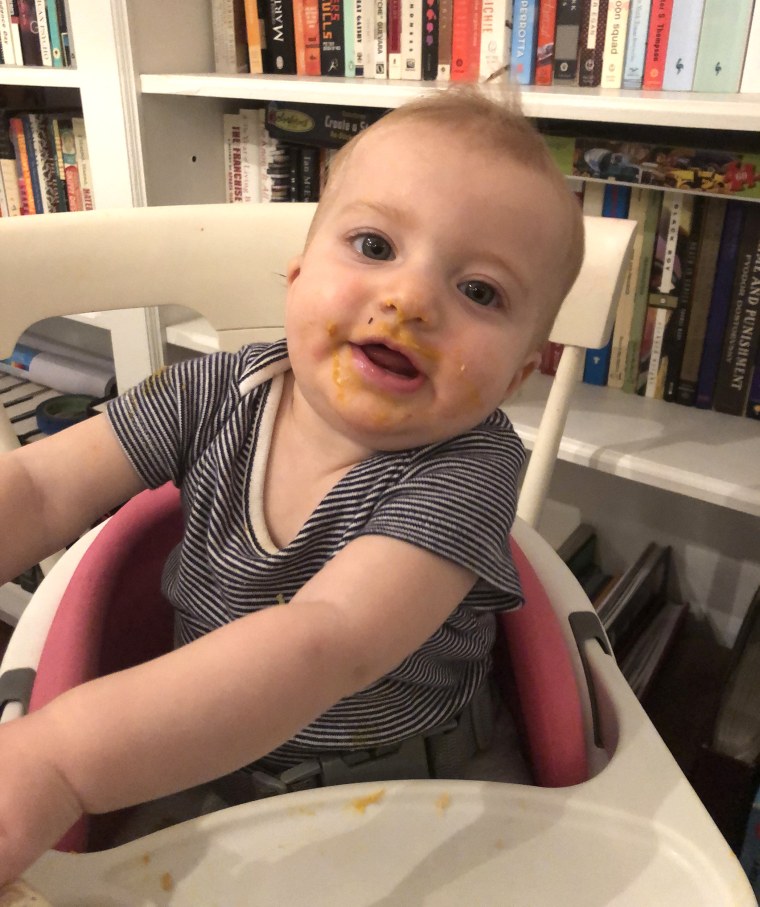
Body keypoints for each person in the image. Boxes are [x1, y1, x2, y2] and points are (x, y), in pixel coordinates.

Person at [0, 83, 584, 882]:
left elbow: (325, 641)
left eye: (479, 291)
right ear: (299, 273)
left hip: (412, 791)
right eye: (375, 246)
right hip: (188, 760)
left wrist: (58, 759)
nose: (409, 299)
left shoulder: (467, 473)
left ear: (519, 373)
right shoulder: (215, 392)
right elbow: (38, 487)